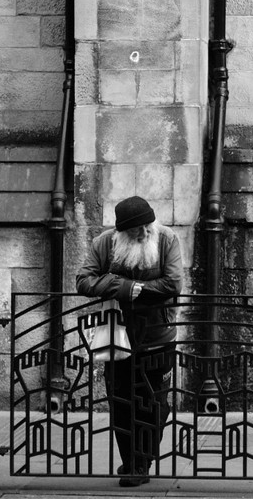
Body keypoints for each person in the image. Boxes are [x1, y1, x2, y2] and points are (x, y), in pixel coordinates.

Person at [76, 195, 183, 487]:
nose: (146, 233)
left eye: (148, 226)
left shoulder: (166, 239)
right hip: (117, 336)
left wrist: (137, 289)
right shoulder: (104, 243)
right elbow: (83, 281)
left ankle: (141, 461)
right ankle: (133, 459)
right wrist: (121, 286)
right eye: (138, 230)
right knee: (120, 400)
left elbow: (173, 284)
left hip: (158, 336)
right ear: (122, 233)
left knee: (154, 401)